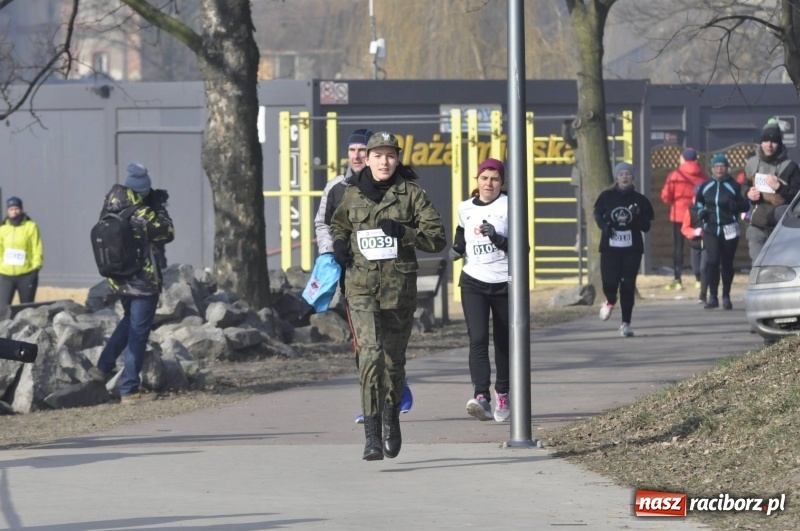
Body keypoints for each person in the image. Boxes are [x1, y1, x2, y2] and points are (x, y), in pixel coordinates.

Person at [329, 131, 445, 461]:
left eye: (390, 155)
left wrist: (406, 233)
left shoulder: (412, 195)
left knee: (393, 364)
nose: (384, 162)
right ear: (366, 159)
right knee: (370, 356)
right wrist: (338, 245)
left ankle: (392, 419)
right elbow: (338, 226)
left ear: (397, 159)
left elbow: (437, 239)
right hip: (361, 288)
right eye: (378, 155)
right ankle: (372, 435)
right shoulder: (350, 194)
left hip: (399, 293)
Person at [313, 128, 414, 424]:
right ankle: (374, 404)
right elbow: (324, 224)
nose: (356, 155)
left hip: (393, 282)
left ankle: (395, 391)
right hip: (355, 279)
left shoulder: (401, 188)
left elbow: (425, 231)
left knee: (390, 350)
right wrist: (334, 249)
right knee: (366, 346)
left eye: (362, 150)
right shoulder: (337, 187)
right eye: (352, 150)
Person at [89, 163, 175, 404]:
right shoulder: (142, 214)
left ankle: (103, 366)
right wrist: (158, 207)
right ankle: (129, 389)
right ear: (143, 191)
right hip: (143, 283)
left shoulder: (110, 207)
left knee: (129, 322)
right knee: (139, 332)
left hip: (119, 280)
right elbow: (167, 232)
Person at [448, 158, 510, 422]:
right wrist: (458, 247)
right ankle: (481, 396)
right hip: (473, 280)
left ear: (502, 182)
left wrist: (497, 237)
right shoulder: (465, 207)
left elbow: (522, 247)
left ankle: (503, 393)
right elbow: (462, 231)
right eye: (484, 178)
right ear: (477, 180)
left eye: (495, 179)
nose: (489, 184)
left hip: (505, 282)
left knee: (505, 342)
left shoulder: (510, 205)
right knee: (478, 338)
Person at [594, 162, 655, 338]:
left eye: (628, 174)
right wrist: (605, 227)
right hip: (610, 248)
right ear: (617, 177)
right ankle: (610, 301)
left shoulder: (641, 200)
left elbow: (646, 227)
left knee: (628, 284)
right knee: (609, 282)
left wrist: (636, 216)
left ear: (633, 177)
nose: (625, 177)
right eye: (621, 174)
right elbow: (598, 215)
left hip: (632, 249)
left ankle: (626, 324)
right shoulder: (607, 197)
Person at [696, 154, 750, 310]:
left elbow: (745, 205)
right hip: (711, 228)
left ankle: (726, 296)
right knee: (712, 261)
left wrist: (736, 206)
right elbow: (698, 202)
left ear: (727, 169)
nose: (720, 169)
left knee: (726, 263)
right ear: (712, 169)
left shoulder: (734, 186)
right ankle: (713, 296)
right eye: (717, 166)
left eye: (723, 166)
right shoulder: (705, 186)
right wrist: (700, 212)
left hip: (729, 228)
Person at [742, 119, 800, 261]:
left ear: (779, 144)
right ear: (761, 142)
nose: (769, 145)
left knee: (778, 268)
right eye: (766, 140)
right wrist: (747, 193)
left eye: (773, 141)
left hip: (781, 228)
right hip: (757, 226)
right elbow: (744, 185)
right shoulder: (752, 163)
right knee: (757, 265)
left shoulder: (790, 167)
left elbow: (796, 196)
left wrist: (778, 187)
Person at [660, 147, 708, 291]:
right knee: (699, 246)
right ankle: (700, 279)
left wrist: (674, 202)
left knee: (678, 247)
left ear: (683, 158)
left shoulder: (676, 174)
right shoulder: (703, 176)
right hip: (698, 215)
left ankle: (677, 279)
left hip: (679, 214)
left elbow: (665, 196)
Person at [0, 197, 43, 309]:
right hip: (6, 275)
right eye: (11, 209)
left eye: (16, 208)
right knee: (3, 308)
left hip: (26, 274)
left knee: (27, 308)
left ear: (21, 210)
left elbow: (36, 248)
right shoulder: (3, 229)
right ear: (7, 211)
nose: (14, 211)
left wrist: (36, 268)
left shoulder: (31, 227)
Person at [681, 189, 708, 304]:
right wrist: (694, 232)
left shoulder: (710, 208)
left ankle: (703, 294)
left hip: (708, 244)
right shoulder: (691, 209)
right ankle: (703, 282)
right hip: (695, 244)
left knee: (703, 269)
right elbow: (684, 228)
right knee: (696, 270)